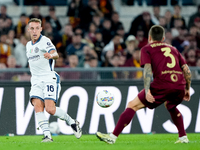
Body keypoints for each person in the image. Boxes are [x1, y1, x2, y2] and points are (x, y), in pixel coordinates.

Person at [96, 25, 191, 144]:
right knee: (170, 105)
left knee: (132, 105)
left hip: (162, 84)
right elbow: (186, 70)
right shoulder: (174, 49)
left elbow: (147, 70)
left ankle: (112, 137)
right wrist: (187, 88)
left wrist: (147, 91)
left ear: (149, 37)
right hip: (179, 85)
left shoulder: (147, 49)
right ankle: (183, 137)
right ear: (163, 38)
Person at [26, 18, 82, 142]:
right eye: (32, 28)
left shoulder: (45, 41)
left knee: (50, 109)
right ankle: (47, 136)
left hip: (48, 78)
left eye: (37, 28)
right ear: (29, 30)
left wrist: (50, 55)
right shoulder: (28, 45)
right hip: (35, 80)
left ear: (41, 29)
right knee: (37, 105)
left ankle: (72, 122)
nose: (34, 31)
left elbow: (55, 53)